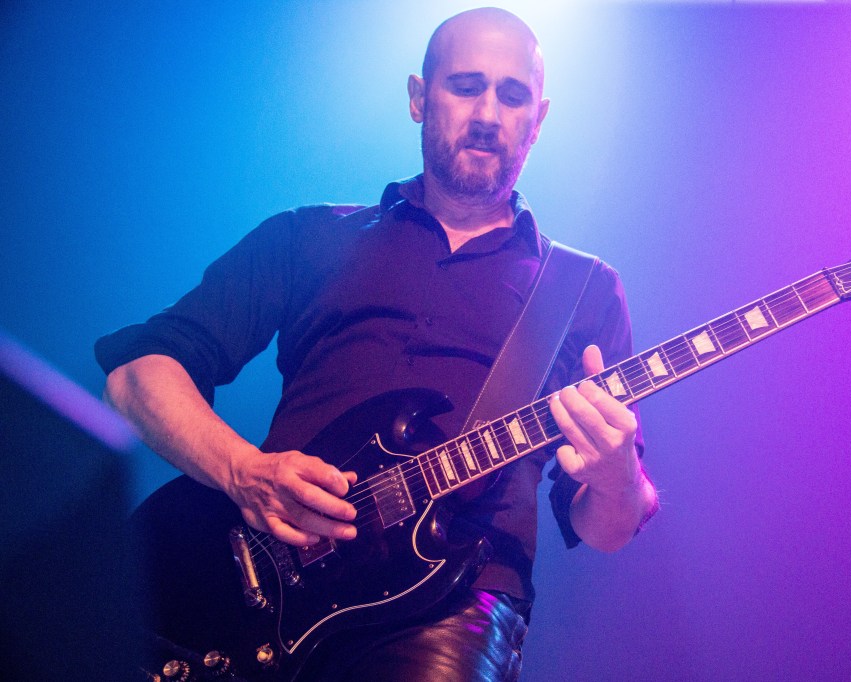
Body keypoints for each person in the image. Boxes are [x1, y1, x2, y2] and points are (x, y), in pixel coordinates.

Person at [97, 7, 658, 681]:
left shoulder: (584, 289)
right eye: (466, 86)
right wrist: (242, 471)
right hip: (256, 573)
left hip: (452, 603)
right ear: (419, 98)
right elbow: (137, 376)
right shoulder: (308, 236)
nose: (488, 113)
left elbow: (604, 528)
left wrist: (617, 475)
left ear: (537, 120)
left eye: (512, 96)